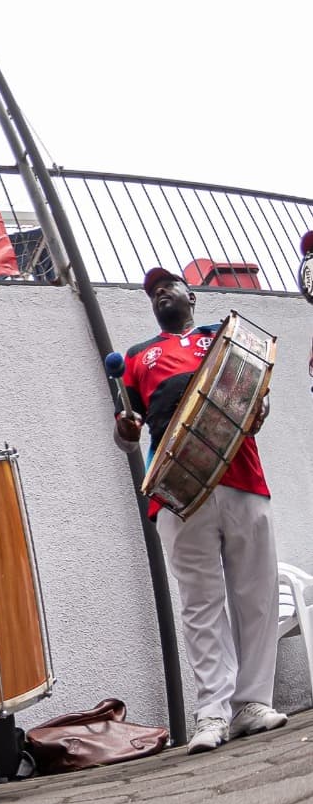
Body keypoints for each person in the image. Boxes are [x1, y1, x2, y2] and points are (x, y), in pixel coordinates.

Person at [114, 267, 285, 754]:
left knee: (256, 594)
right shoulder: (135, 357)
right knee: (198, 601)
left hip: (243, 476)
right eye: (153, 292)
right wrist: (126, 429)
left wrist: (261, 408)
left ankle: (253, 703)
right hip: (175, 489)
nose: (161, 293)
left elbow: (256, 397)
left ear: (191, 295)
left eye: (169, 285)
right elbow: (127, 432)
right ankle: (213, 710)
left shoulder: (223, 337)